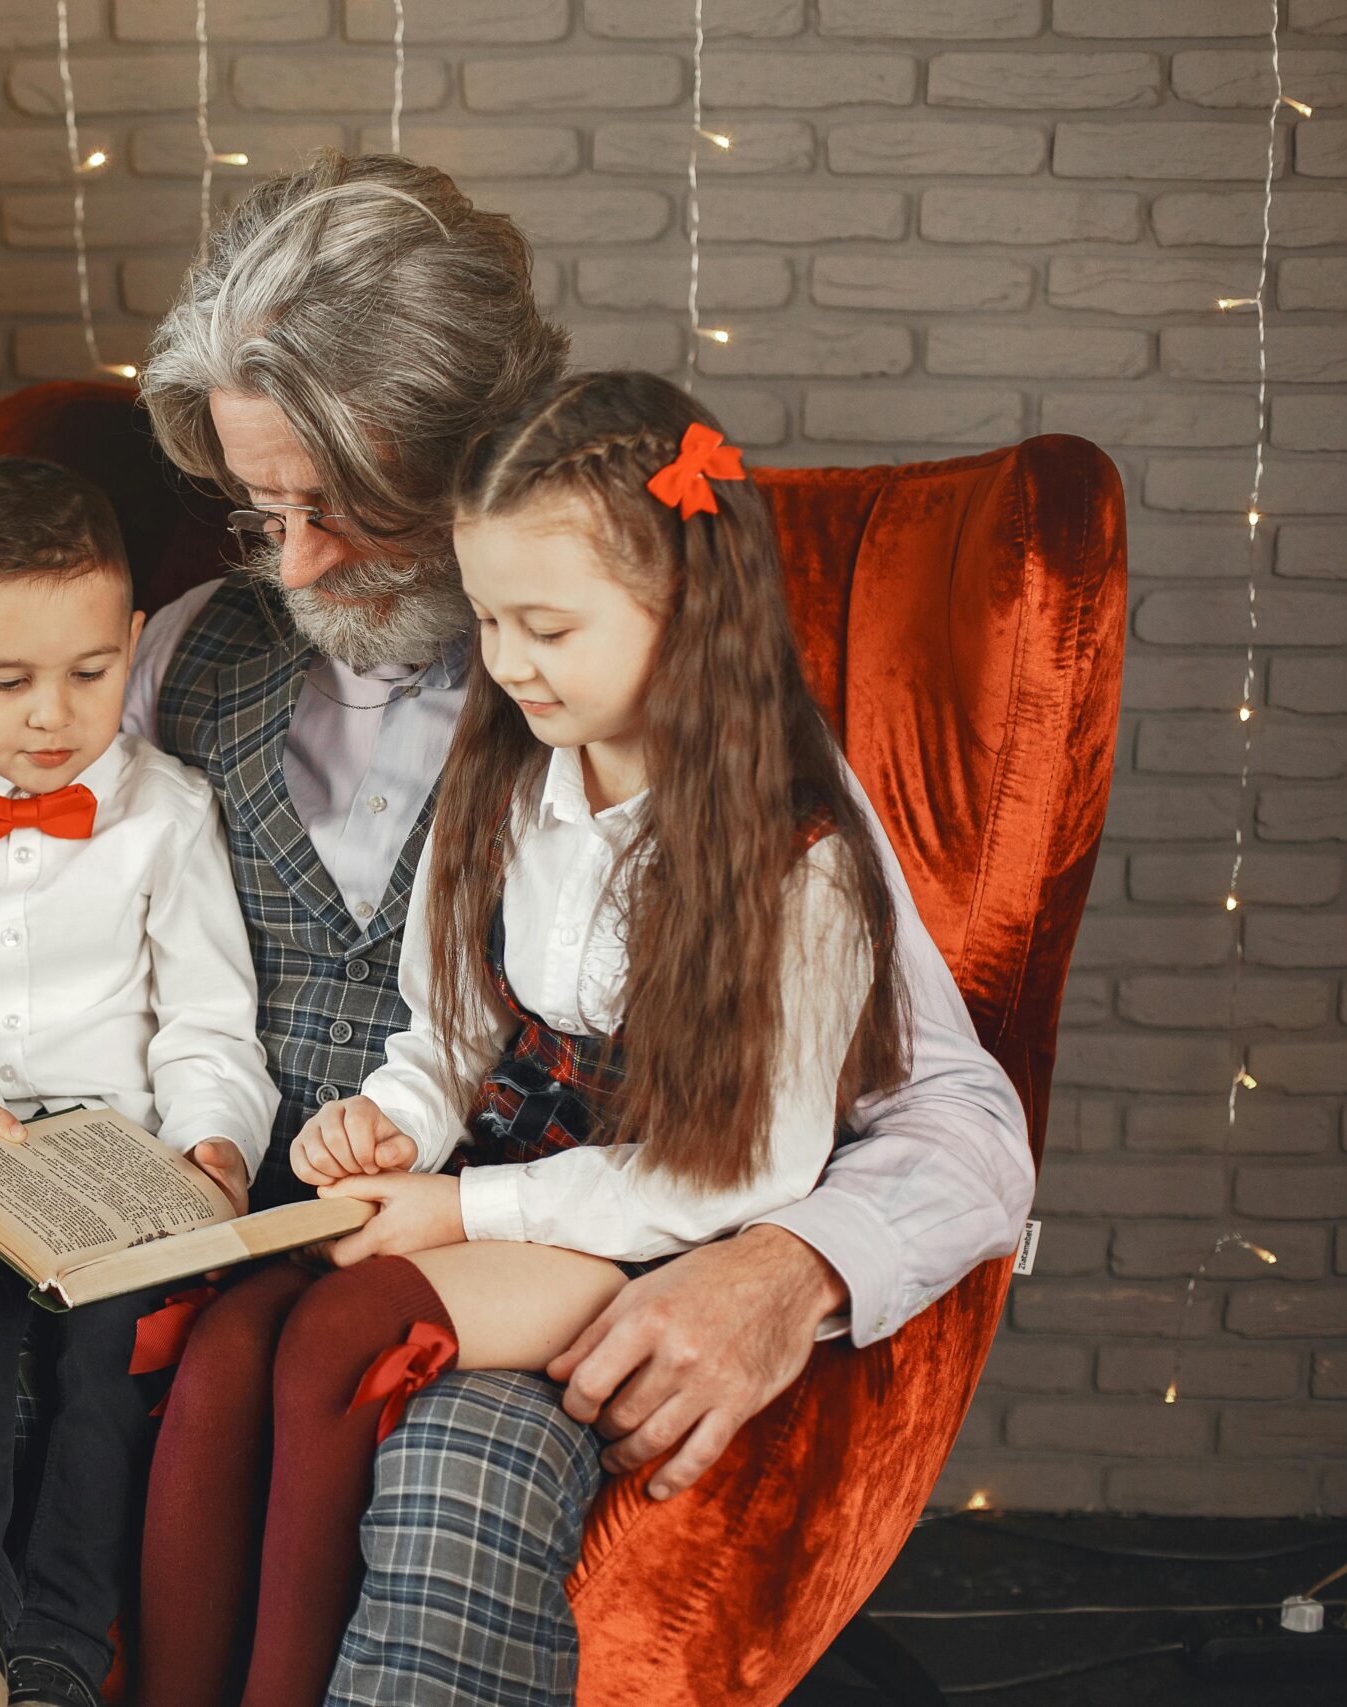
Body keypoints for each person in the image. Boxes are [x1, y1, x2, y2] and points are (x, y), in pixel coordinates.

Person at [0, 152, 1033, 1707]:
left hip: (493, 1255)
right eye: (263, 509)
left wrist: (788, 1266)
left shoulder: (655, 705)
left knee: (454, 1475)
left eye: (347, 507)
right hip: (156, 1225)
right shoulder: (175, 653)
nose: (299, 562)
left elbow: (961, 1111)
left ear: (484, 461)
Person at [136, 367, 920, 1705]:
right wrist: (394, 1119)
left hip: (634, 1213)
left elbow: (738, 1172)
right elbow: (448, 1025)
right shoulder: (501, 777)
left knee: (344, 1335)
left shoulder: (799, 865)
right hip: (490, 1177)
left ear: (686, 613)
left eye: (544, 626)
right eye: (489, 618)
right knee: (225, 1340)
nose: (502, 662)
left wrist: (460, 1206)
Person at [0, 459, 274, 1707]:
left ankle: (62, 1653)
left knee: (100, 1364)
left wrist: (214, 1149)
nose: (50, 716)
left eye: (89, 674)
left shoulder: (170, 815)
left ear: (132, 646)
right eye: (8, 682)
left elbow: (207, 1018)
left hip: (120, 1160)